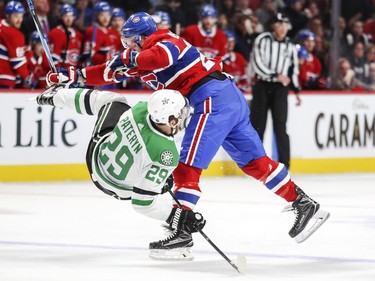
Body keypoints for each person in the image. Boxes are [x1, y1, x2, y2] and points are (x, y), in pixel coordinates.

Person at [45, 11, 330, 260]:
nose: (125, 46)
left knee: (186, 167)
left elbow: (157, 57)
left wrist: (129, 57)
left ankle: (181, 234)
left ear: (142, 38)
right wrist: (73, 76)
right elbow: (107, 71)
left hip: (211, 99)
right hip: (228, 98)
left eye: (129, 41)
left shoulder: (165, 40)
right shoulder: (138, 53)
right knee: (256, 163)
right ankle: (303, 203)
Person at [34, 85, 205, 260]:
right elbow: (142, 203)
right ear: (171, 121)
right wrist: (176, 216)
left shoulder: (139, 110)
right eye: (180, 113)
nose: (183, 114)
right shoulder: (166, 154)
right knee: (148, 185)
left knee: (112, 101)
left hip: (97, 158)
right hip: (117, 187)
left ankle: (57, 95)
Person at [250, 13, 300, 170]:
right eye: (280, 24)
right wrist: (275, 75)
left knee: (280, 126)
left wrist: (296, 89)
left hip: (280, 90)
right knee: (258, 126)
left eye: (286, 25)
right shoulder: (263, 39)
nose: (283, 28)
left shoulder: (291, 45)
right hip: (262, 86)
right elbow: (257, 63)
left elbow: (294, 69)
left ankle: (285, 164)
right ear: (274, 26)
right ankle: (254, 163)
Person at [0, 1, 29, 88]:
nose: (20, 20)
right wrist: (27, 78)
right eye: (16, 16)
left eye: (21, 16)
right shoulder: (15, 35)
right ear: (8, 16)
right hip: (5, 79)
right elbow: (18, 62)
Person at [48, 4, 83, 68]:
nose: (69, 19)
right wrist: (59, 73)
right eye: (66, 16)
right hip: (62, 73)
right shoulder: (56, 33)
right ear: (61, 17)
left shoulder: (78, 35)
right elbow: (53, 58)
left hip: (75, 73)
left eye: (71, 16)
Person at [81, 1, 114, 66]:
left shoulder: (109, 31)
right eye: (102, 15)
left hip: (107, 68)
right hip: (96, 69)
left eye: (108, 14)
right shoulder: (92, 31)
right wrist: (108, 59)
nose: (105, 18)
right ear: (96, 16)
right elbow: (88, 55)